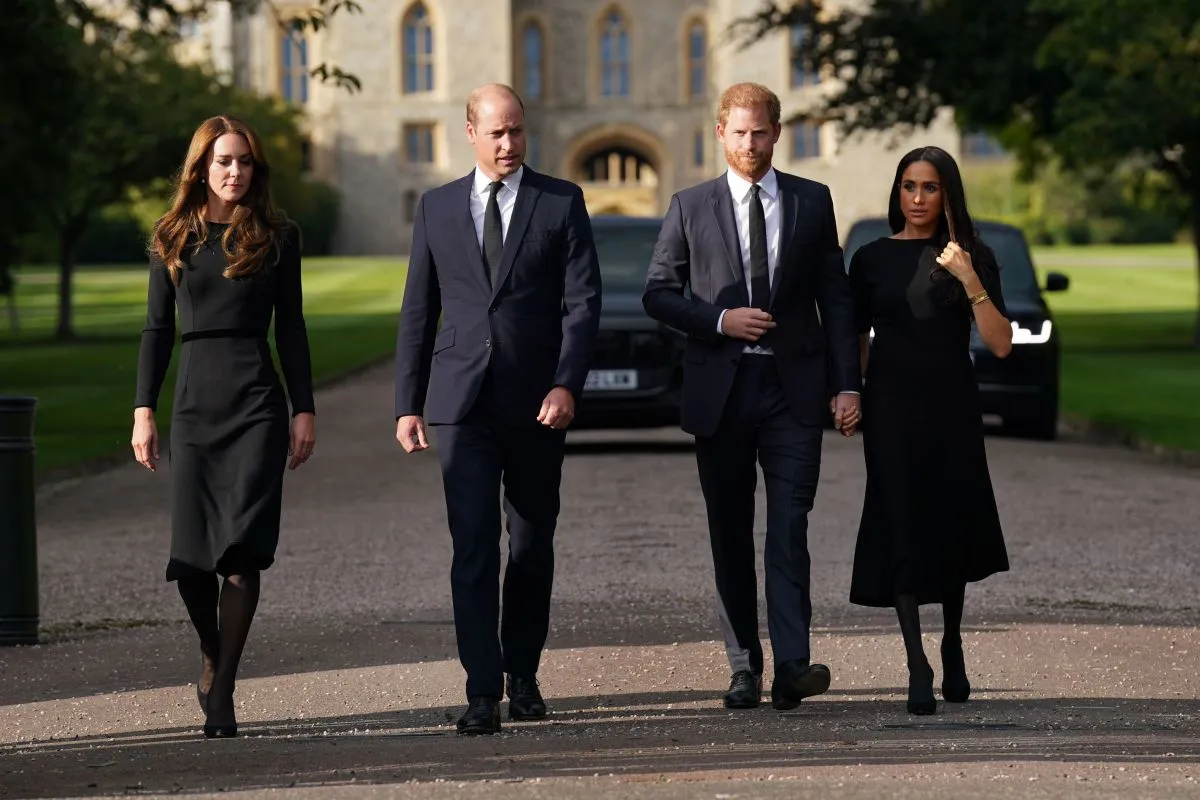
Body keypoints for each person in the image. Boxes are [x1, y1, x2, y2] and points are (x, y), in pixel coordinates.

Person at [642, 82, 861, 711]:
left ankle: (793, 664)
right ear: (720, 134)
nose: (750, 143)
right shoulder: (690, 205)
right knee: (730, 532)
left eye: (760, 132)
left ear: (776, 133)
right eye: (738, 132)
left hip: (794, 390)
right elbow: (658, 293)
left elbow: (835, 299)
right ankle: (743, 666)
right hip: (722, 392)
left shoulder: (812, 201)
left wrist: (847, 383)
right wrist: (719, 320)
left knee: (790, 527)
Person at [393, 83, 602, 735]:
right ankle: (482, 689)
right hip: (461, 403)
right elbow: (419, 310)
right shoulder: (436, 206)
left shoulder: (560, 201)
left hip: (539, 403)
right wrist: (407, 403)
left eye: (517, 130)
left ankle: (524, 675)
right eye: (497, 132)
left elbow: (583, 305)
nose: (510, 143)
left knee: (532, 543)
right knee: (474, 544)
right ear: (471, 133)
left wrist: (567, 384)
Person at [132, 115, 315, 739]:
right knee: (190, 563)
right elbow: (156, 329)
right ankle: (212, 652)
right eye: (223, 161)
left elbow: (292, 327)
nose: (235, 172)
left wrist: (304, 409)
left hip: (257, 402)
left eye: (244, 161)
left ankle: (225, 691)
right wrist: (143, 410)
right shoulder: (172, 237)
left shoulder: (277, 236)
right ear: (201, 169)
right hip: (194, 405)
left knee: (240, 553)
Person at [845, 145, 1012, 715]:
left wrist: (968, 277)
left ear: (948, 194)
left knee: (949, 520)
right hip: (891, 407)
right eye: (909, 186)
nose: (917, 198)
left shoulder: (973, 256)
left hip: (952, 406)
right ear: (898, 191)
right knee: (900, 520)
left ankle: (953, 641)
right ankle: (916, 661)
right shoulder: (870, 259)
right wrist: (849, 393)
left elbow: (1000, 343)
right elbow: (856, 338)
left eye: (930, 187)